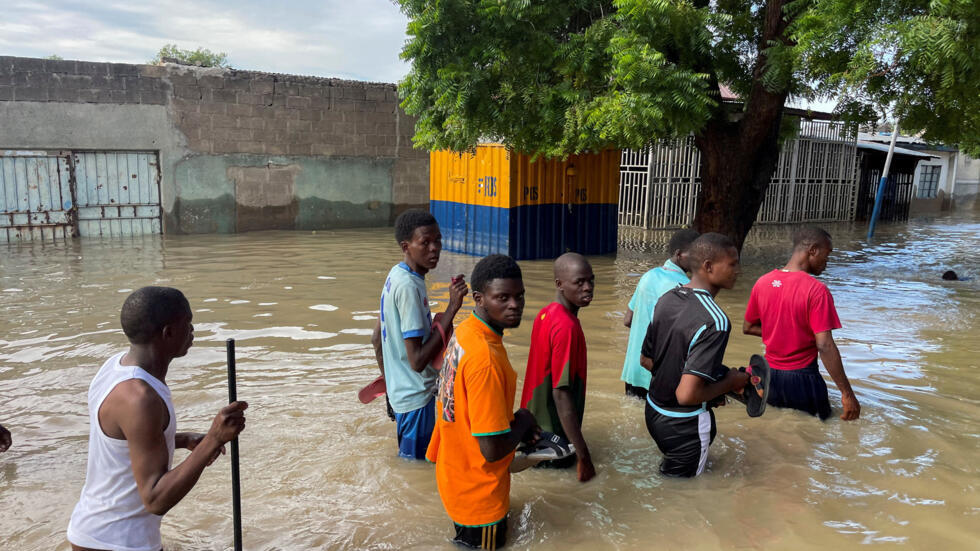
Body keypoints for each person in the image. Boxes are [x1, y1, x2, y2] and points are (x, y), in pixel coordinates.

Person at [67, 286, 247, 551]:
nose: (193, 330)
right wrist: (213, 439)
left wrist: (183, 439)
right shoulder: (141, 398)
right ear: (168, 333)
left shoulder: (116, 366)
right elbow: (155, 499)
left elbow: (126, 443)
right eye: (188, 323)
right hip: (117, 542)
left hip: (98, 532)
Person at [426, 254, 540, 550]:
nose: (514, 305)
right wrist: (524, 420)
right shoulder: (485, 360)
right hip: (480, 498)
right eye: (502, 297)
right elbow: (491, 450)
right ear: (479, 298)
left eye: (519, 296)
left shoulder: (464, 332)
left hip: (454, 476)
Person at [640, 233, 759, 478]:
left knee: (670, 478)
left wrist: (711, 381)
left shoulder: (667, 299)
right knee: (684, 494)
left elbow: (648, 361)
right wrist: (731, 383)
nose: (738, 271)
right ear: (708, 266)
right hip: (685, 427)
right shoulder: (716, 321)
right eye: (733, 264)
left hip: (654, 413)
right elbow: (687, 395)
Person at [371, 209, 468, 459]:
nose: (434, 248)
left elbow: (376, 338)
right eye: (425, 242)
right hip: (416, 400)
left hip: (402, 396)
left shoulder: (397, 275)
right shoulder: (409, 288)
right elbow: (417, 361)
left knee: (410, 466)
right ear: (406, 246)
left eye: (438, 240)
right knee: (416, 470)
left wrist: (390, 390)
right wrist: (452, 308)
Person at [743, 227, 861, 421]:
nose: (827, 261)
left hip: (769, 377)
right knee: (818, 436)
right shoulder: (817, 291)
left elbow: (748, 327)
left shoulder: (762, 283)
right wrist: (847, 394)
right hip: (803, 379)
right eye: (827, 254)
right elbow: (824, 345)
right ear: (813, 250)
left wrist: (781, 334)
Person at [520, 252, 596, 482]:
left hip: (533, 433)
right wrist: (584, 456)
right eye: (579, 282)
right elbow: (561, 394)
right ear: (559, 284)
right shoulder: (567, 327)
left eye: (590, 280)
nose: (588, 287)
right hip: (553, 442)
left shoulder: (546, 314)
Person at [622, 229, 700, 399]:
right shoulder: (686, 287)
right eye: (694, 255)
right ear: (679, 254)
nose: (698, 260)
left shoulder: (648, 276)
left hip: (633, 370)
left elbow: (628, 320)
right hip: (655, 373)